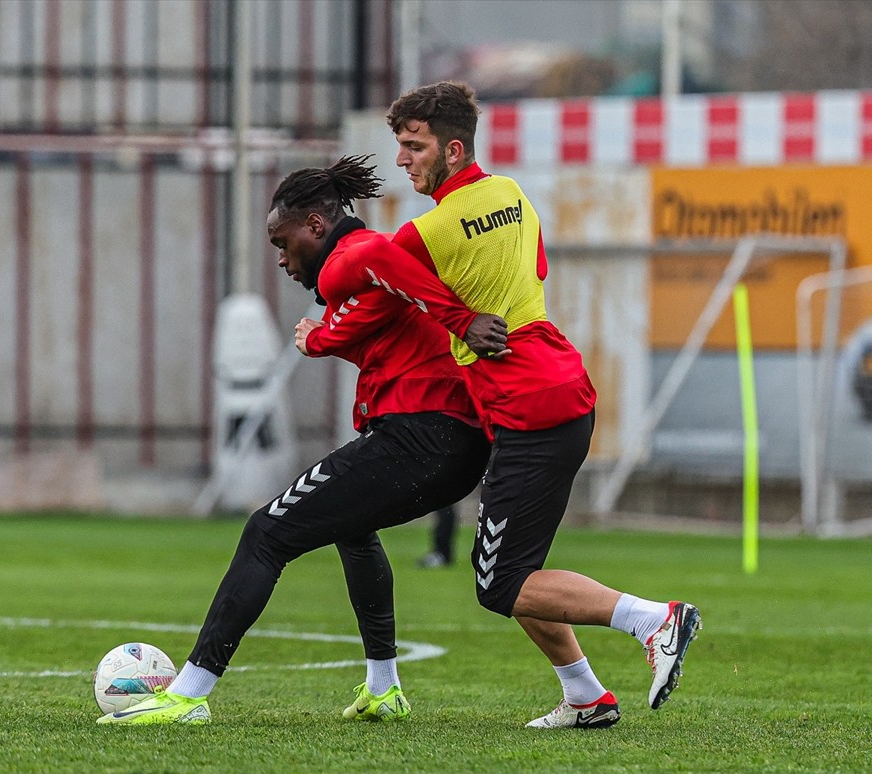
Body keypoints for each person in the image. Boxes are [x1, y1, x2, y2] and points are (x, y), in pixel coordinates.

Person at [97, 154, 499, 726]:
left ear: (316, 224)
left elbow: (385, 255)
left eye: (283, 244)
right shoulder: (354, 278)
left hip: (422, 436)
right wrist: (324, 337)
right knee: (353, 530)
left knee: (266, 532)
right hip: (450, 444)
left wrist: (461, 321)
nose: (283, 261)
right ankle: (384, 688)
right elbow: (377, 309)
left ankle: (187, 694)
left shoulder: (353, 256)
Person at [370, 80, 702, 729]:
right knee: (516, 570)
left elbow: (369, 285)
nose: (403, 159)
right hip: (561, 384)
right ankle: (585, 696)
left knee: (500, 584)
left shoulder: (426, 231)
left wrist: (319, 333)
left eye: (414, 146)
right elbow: (537, 272)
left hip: (529, 406)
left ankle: (655, 621)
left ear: (454, 148)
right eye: (400, 146)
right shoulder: (513, 195)